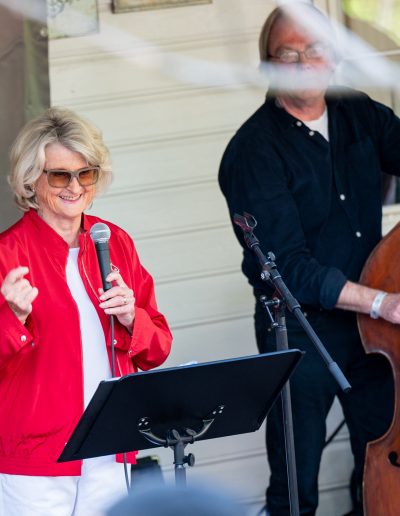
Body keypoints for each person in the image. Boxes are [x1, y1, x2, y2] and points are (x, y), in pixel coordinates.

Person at [218, 3, 400, 515]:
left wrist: (378, 307)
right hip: (300, 333)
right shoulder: (252, 153)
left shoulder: (358, 112)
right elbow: (289, 269)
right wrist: (382, 301)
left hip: (372, 334)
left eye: (314, 50)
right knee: (297, 482)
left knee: (382, 456)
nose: (303, 63)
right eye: (288, 54)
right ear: (268, 67)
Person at [0, 107, 172, 515]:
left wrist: (134, 319)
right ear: (30, 180)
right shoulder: (7, 253)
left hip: (111, 447)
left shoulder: (114, 242)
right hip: (36, 459)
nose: (74, 186)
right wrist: (13, 317)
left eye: (86, 173)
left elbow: (158, 348)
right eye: (59, 175)